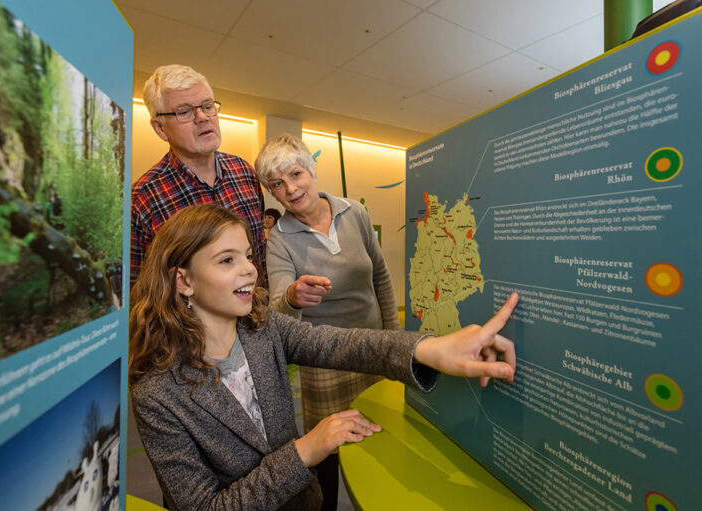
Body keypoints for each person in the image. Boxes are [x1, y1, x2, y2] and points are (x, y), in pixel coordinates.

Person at [129, 203, 519, 511]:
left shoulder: (263, 330)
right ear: (183, 280)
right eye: (227, 260)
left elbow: (342, 344)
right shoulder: (157, 393)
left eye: (248, 256)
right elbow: (205, 506)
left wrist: (431, 348)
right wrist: (307, 450)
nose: (249, 270)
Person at [254, 134, 396, 509]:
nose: (290, 188)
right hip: (326, 360)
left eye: (296, 174)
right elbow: (279, 309)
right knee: (329, 451)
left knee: (381, 433)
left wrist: (394, 340)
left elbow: (380, 277)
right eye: (277, 184)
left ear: (312, 170)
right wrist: (291, 296)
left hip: (373, 347)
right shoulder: (279, 239)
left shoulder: (355, 213)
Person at [130, 64, 266, 285]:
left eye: (207, 106)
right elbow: (136, 290)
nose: (202, 117)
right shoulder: (143, 196)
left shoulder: (244, 172)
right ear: (160, 128)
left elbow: (261, 258)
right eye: (184, 112)